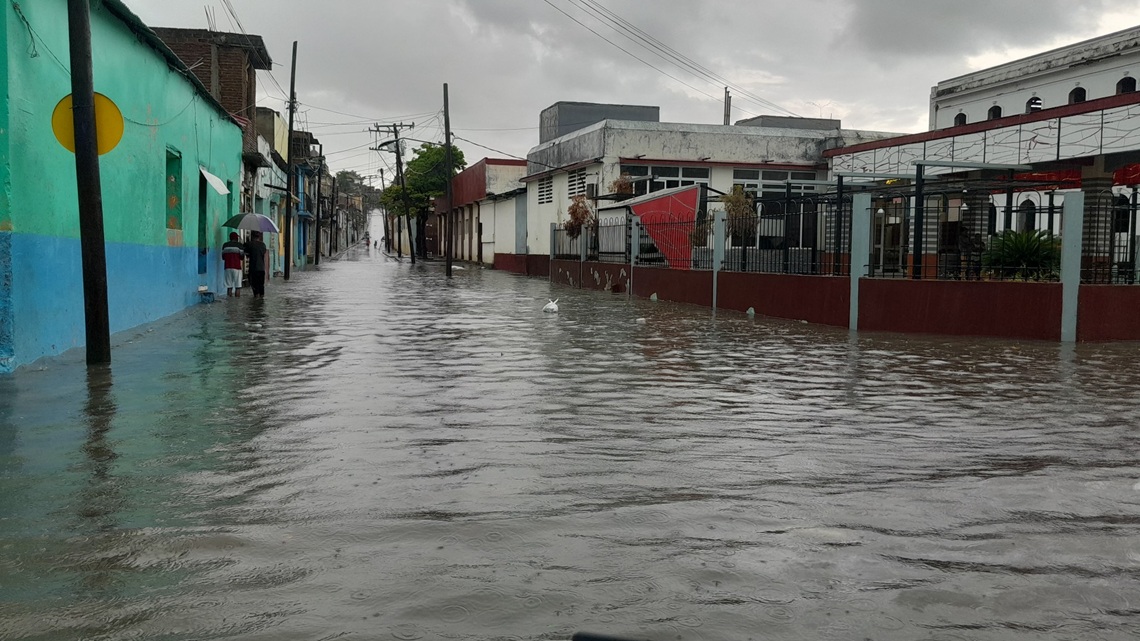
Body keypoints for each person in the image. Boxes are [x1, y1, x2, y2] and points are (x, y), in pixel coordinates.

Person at [244, 231, 269, 299]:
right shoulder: (263, 245)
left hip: (253, 269)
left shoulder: (250, 244)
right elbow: (263, 254)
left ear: (252, 237)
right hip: (261, 269)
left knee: (255, 287)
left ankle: (256, 302)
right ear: (259, 237)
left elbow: (246, 253)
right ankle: (261, 302)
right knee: (261, 286)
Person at [221, 232, 245, 297]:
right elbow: (242, 257)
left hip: (227, 267)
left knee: (229, 287)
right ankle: (237, 303)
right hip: (237, 268)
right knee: (238, 287)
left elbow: (223, 257)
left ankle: (229, 302)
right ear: (236, 238)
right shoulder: (239, 245)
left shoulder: (225, 245)